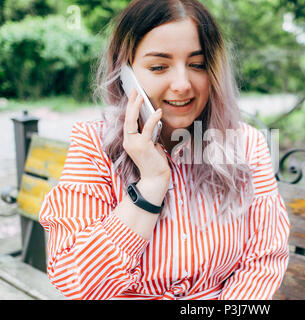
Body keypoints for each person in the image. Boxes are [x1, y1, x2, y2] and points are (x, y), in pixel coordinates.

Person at [39, 0, 290, 300]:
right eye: (159, 67)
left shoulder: (246, 144)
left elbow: (264, 260)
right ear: (126, 73)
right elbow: (78, 282)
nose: (182, 84)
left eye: (197, 65)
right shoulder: (93, 145)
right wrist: (150, 185)